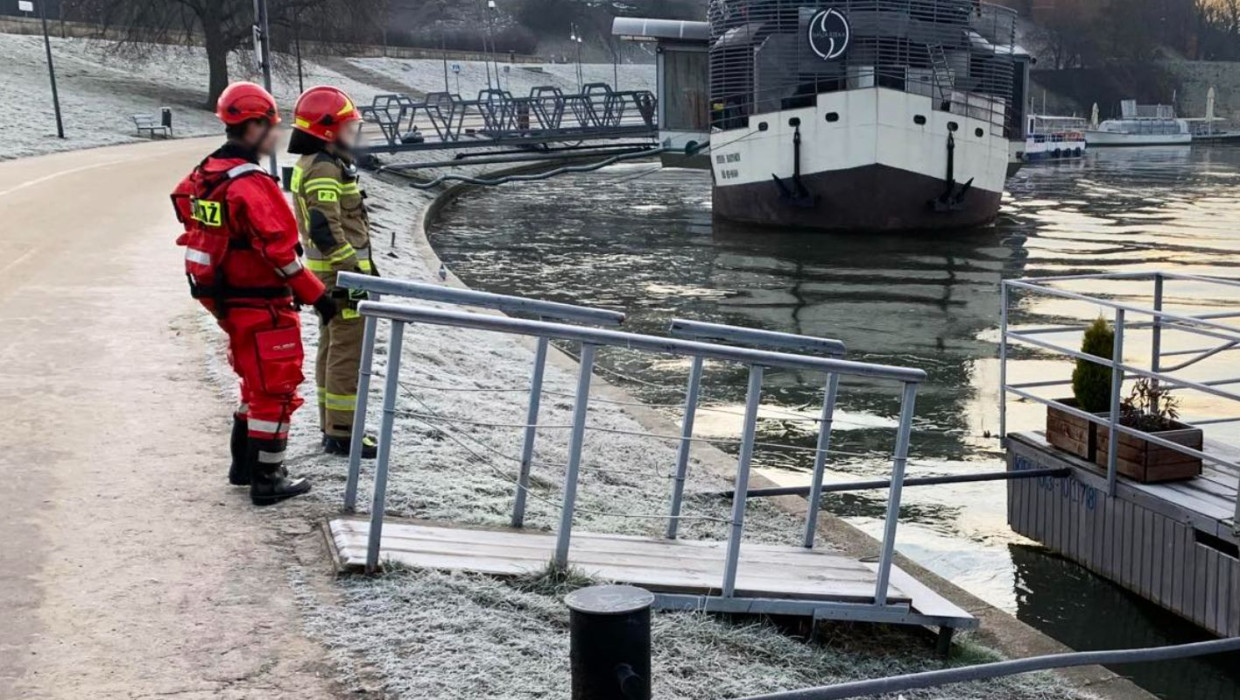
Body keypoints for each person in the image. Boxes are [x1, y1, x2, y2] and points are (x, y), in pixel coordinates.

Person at [172, 81, 337, 506]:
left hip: (224, 295)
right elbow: (281, 252)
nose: (275, 136)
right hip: (258, 297)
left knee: (254, 377)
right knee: (276, 386)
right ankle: (268, 476)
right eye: (270, 126)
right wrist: (318, 296)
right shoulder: (250, 184)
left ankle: (243, 466)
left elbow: (183, 207)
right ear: (253, 126)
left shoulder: (206, 174)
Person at [287, 86, 379, 459]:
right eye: (346, 127)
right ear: (327, 131)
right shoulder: (324, 168)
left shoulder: (313, 163)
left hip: (325, 276)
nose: (351, 134)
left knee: (331, 346)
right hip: (342, 277)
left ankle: (331, 425)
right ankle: (344, 433)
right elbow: (326, 228)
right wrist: (354, 272)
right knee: (346, 352)